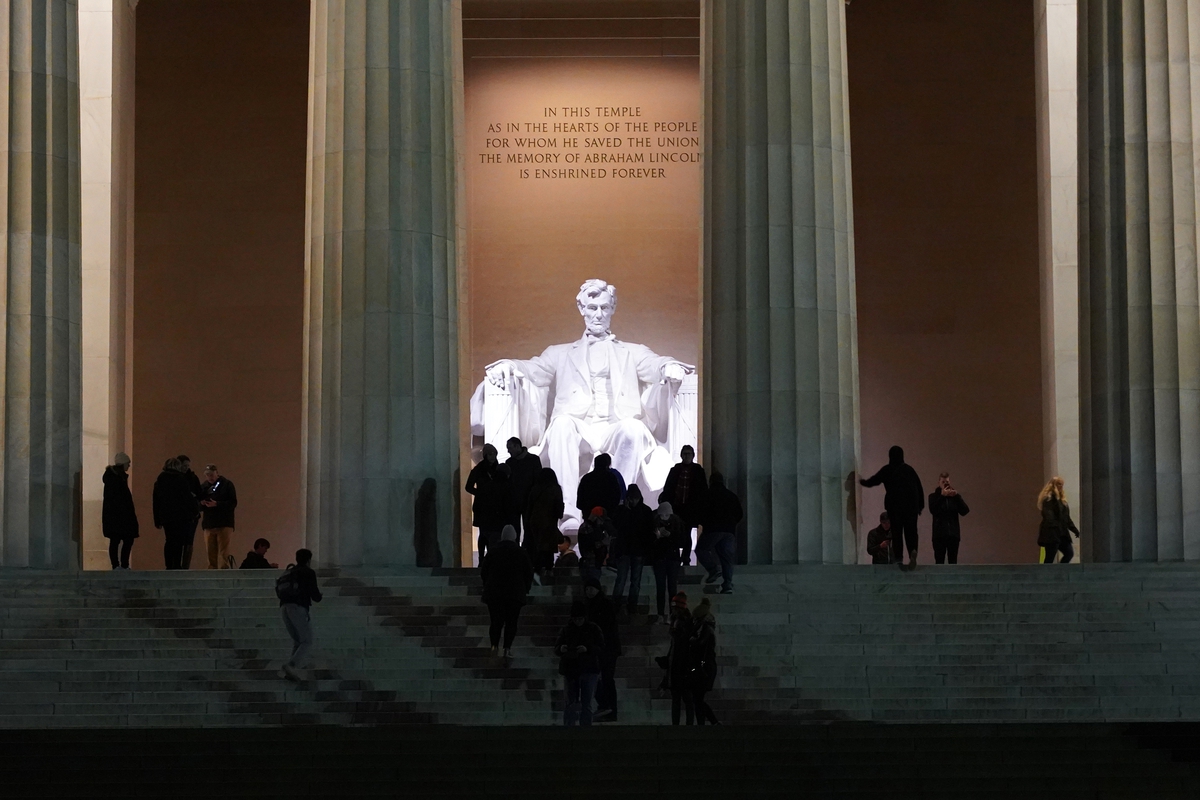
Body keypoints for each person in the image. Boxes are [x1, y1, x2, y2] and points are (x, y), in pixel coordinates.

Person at [476, 279, 695, 531]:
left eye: (604, 307)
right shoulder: (559, 352)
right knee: (561, 425)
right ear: (582, 309)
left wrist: (669, 366)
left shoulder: (632, 352)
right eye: (592, 308)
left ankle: (617, 507)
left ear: (613, 309)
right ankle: (568, 511)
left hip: (615, 425)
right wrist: (510, 365)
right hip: (579, 426)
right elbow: (534, 368)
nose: (598, 314)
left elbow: (655, 363)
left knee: (633, 429)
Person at [859, 445, 925, 569]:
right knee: (911, 531)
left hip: (895, 507)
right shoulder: (909, 470)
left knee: (897, 533)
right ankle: (912, 552)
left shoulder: (887, 470)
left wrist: (863, 482)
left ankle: (899, 558)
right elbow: (919, 488)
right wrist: (920, 506)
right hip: (911, 507)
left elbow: (874, 480)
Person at [480, 525, 534, 659]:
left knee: (495, 622)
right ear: (514, 537)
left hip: (494, 593)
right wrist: (525, 588)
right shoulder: (520, 552)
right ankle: (507, 648)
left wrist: (487, 585)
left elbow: (484, 571)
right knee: (511, 622)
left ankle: (494, 647)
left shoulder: (493, 551)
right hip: (515, 593)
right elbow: (529, 573)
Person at [554, 598, 605, 726]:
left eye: (580, 619)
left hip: (589, 668)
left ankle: (585, 728)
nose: (578, 622)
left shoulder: (593, 628)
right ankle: (569, 727)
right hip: (571, 669)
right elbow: (557, 648)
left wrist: (587, 649)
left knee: (586, 702)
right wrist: (562, 648)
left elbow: (601, 647)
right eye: (575, 619)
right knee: (570, 703)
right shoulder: (567, 629)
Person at [277, 548, 322, 681]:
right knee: (307, 640)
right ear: (309, 560)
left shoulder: (290, 571)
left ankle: (290, 672)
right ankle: (292, 665)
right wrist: (320, 596)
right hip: (298, 607)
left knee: (298, 641)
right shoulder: (308, 572)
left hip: (284, 607)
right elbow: (315, 595)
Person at [611, 484, 654, 613]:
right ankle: (617, 606)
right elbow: (617, 525)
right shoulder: (627, 511)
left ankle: (630, 606)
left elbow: (647, 531)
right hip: (628, 550)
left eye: (635, 498)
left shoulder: (644, 511)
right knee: (623, 579)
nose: (634, 501)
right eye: (632, 498)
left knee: (633, 580)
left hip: (635, 550)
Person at [583, 576, 621, 721]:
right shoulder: (590, 605)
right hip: (599, 648)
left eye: (591, 588)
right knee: (599, 678)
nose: (588, 591)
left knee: (606, 678)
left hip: (607, 648)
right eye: (587, 589)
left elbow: (609, 628)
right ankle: (606, 707)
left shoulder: (603, 604)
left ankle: (609, 708)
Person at [697, 472, 741, 593]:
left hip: (712, 529)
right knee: (727, 558)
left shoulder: (706, 495)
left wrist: (703, 523)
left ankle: (713, 569)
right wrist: (731, 524)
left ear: (710, 482)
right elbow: (739, 514)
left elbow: (700, 512)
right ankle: (727, 585)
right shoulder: (731, 496)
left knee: (701, 550)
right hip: (729, 531)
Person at [465, 443, 509, 563]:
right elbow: (468, 487)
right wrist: (480, 493)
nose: (492, 456)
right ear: (485, 455)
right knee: (483, 533)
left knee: (493, 533)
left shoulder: (498, 468)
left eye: (494, 454)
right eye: (490, 454)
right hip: (482, 506)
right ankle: (481, 558)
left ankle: (491, 557)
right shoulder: (478, 469)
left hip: (496, 505)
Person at [152, 458, 198, 570]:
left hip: (166, 516)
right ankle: (176, 565)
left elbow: (156, 501)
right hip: (181, 516)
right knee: (179, 541)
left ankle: (168, 565)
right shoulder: (180, 480)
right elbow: (187, 498)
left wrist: (157, 519)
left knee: (169, 540)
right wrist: (194, 511)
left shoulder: (159, 481)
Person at [660, 445, 708, 548]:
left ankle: (686, 558)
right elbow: (668, 487)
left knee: (687, 532)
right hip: (676, 506)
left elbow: (703, 490)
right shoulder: (675, 470)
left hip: (690, 508)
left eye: (688, 454)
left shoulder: (698, 470)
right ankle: (676, 556)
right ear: (681, 455)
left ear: (693, 455)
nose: (686, 456)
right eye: (685, 454)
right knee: (674, 531)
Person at [650, 502, 689, 622]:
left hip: (672, 558)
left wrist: (670, 536)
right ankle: (661, 614)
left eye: (667, 515)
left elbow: (683, 541)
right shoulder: (653, 524)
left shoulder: (677, 525)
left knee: (672, 588)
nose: (664, 517)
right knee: (660, 588)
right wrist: (656, 537)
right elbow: (648, 542)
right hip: (660, 559)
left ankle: (673, 614)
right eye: (662, 515)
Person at [524, 467, 565, 578]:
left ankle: (537, 569)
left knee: (537, 546)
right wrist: (559, 515)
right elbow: (559, 505)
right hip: (549, 521)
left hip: (535, 521)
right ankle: (548, 569)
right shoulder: (555, 489)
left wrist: (528, 521)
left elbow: (530, 506)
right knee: (549, 546)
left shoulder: (535, 489)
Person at [661, 592, 694, 725]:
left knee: (684, 698)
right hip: (677, 666)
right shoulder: (678, 622)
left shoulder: (684, 624)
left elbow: (683, 647)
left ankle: (685, 725)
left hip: (682, 667)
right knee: (679, 699)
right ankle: (679, 725)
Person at [101, 452, 138, 570]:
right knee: (118, 539)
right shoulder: (115, 479)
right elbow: (117, 499)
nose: (129, 465)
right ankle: (118, 565)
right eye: (128, 463)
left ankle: (121, 565)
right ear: (123, 463)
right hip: (118, 515)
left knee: (121, 539)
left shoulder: (118, 477)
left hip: (118, 515)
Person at [200, 464, 238, 570]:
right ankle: (212, 571)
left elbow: (233, 503)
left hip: (224, 523)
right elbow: (197, 505)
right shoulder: (203, 487)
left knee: (223, 552)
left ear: (217, 473)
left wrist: (217, 504)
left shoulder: (227, 485)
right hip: (209, 523)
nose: (210, 477)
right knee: (210, 552)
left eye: (212, 474)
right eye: (207, 475)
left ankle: (223, 571)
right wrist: (202, 503)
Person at [690, 597, 720, 725]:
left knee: (698, 699)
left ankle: (713, 722)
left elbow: (701, 644)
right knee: (697, 699)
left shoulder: (705, 629)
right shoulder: (705, 627)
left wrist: (692, 640)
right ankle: (703, 724)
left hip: (704, 668)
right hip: (704, 666)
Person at [1038, 476, 1080, 564]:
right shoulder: (1048, 499)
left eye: (1062, 484)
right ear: (1053, 485)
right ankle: (1046, 575)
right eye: (1059, 484)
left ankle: (1061, 572)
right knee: (1050, 556)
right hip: (1051, 533)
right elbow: (1048, 516)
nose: (1061, 486)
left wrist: (1075, 530)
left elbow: (1067, 518)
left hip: (1062, 533)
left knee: (1069, 553)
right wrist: (1054, 525)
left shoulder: (1062, 500)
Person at [929, 473, 970, 564]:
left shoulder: (954, 498)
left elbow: (965, 511)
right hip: (939, 535)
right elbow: (933, 510)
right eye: (943, 482)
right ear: (939, 483)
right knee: (939, 561)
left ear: (950, 482)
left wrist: (957, 497)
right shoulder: (933, 497)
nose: (945, 484)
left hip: (953, 534)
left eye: (947, 482)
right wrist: (942, 496)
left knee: (953, 561)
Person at [504, 437, 541, 538]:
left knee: (528, 527)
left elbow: (538, 480)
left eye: (510, 448)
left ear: (517, 446)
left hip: (529, 500)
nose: (508, 451)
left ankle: (527, 550)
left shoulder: (533, 460)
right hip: (514, 502)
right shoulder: (509, 463)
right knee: (514, 528)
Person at [576, 453, 622, 520]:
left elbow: (580, 499)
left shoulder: (586, 478)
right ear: (607, 465)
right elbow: (617, 496)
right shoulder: (611, 478)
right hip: (607, 517)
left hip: (589, 516)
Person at [576, 506, 616, 582]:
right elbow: (588, 546)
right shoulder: (586, 528)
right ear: (595, 517)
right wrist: (602, 542)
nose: (601, 522)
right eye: (600, 519)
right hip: (590, 564)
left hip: (595, 563)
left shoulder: (595, 528)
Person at [177, 455, 203, 569]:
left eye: (187, 466)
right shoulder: (176, 478)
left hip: (191, 514)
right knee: (178, 540)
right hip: (179, 514)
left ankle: (185, 565)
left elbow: (200, 493)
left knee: (189, 541)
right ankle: (177, 565)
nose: (186, 468)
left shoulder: (193, 478)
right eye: (184, 466)